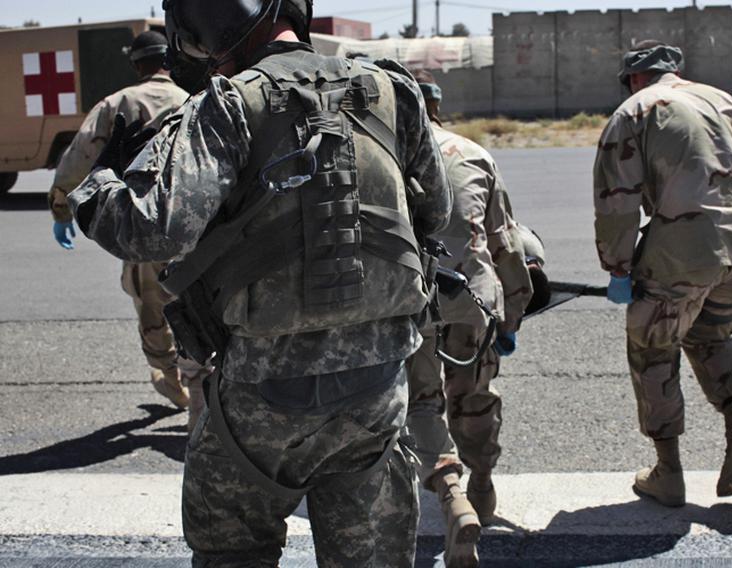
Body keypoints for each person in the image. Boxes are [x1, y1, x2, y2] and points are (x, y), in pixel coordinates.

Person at [67, 0, 451, 565]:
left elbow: (151, 234)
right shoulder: (393, 90)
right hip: (376, 391)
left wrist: (101, 185)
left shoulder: (227, 104)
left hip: (263, 396)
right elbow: (434, 216)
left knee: (233, 554)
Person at [593, 41, 732, 508]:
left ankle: (668, 471)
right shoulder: (722, 100)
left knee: (653, 349)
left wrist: (618, 265)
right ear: (674, 71)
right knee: (713, 336)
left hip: (682, 254)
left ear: (633, 79)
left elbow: (617, 201)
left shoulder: (632, 112)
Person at [406, 69, 532, 566]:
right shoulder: (475, 153)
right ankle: (481, 484)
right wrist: (513, 314)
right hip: (474, 300)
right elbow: (506, 243)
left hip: (411, 303)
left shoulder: (383, 158)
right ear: (437, 107)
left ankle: (451, 496)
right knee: (475, 395)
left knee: (421, 404)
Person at [48, 31, 199, 422]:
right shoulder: (194, 99)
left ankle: (173, 380)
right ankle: (200, 383)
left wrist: (62, 209)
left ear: (135, 65)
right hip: (197, 227)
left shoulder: (118, 103)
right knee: (198, 307)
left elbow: (78, 159)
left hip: (144, 225)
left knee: (153, 309)